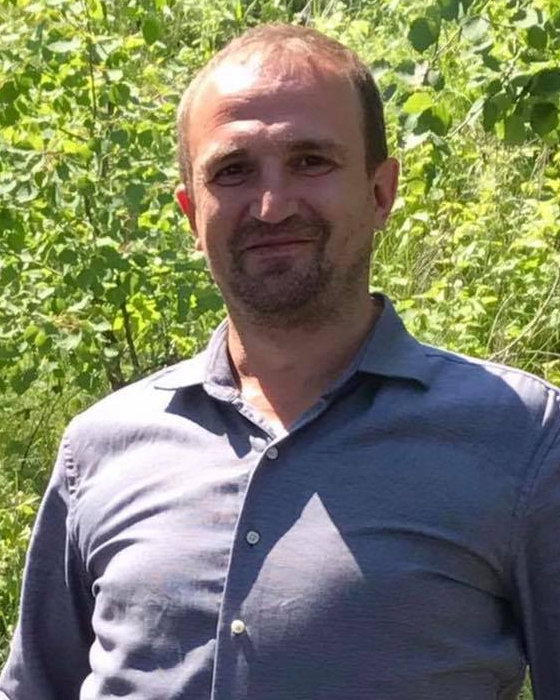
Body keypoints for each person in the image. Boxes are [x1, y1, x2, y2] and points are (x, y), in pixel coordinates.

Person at [1, 22, 559, 700]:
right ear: (191, 214)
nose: (271, 206)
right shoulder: (99, 448)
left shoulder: (522, 438)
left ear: (381, 191)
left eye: (311, 161)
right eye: (233, 171)